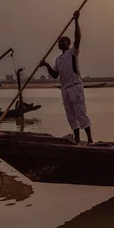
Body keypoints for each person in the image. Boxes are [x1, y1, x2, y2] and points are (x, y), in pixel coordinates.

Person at [40, 10, 93, 144]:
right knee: (70, 116)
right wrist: (46, 65)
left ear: (67, 43)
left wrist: (76, 21)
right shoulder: (58, 59)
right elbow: (55, 75)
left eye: (62, 41)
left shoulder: (72, 52)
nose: (59, 43)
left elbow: (78, 38)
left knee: (81, 113)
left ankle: (90, 140)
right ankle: (77, 140)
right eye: (59, 42)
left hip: (75, 87)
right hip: (65, 89)